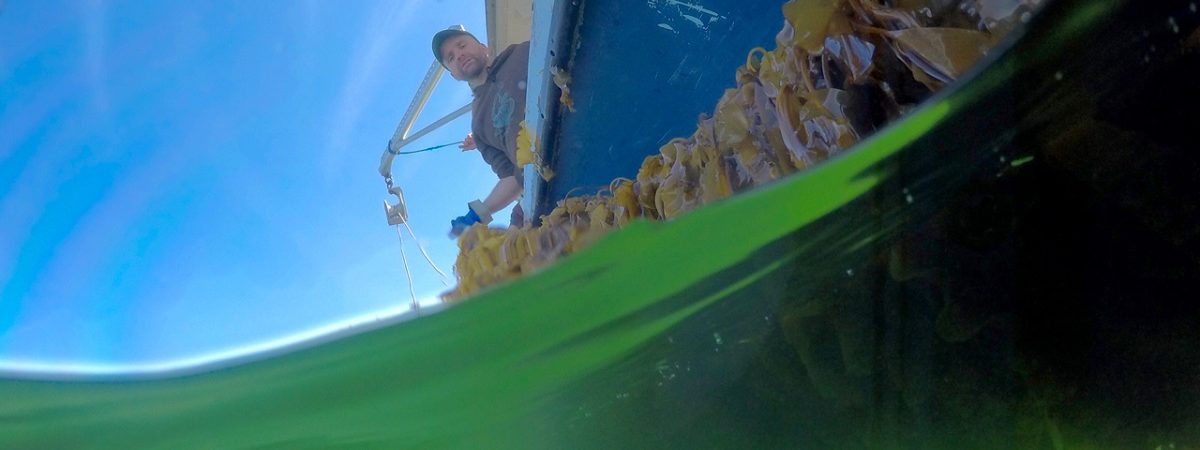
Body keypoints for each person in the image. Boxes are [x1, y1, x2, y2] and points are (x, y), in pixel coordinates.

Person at [432, 28, 530, 237]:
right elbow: (512, 178)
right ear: (453, 74)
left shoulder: (522, 53)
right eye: (450, 57)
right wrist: (476, 215)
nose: (459, 55)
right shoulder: (478, 125)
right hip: (552, 186)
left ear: (484, 47)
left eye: (462, 45)